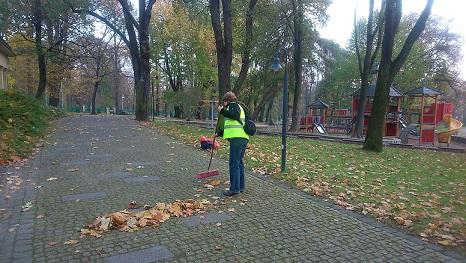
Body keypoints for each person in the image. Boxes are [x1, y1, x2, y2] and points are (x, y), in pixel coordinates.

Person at [216, 91, 249, 196]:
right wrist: (219, 133)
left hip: (237, 139)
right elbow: (232, 124)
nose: (224, 105)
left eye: (224, 102)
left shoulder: (233, 106)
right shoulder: (239, 107)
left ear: (228, 100)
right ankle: (240, 187)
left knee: (234, 163)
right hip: (242, 138)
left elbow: (234, 116)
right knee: (239, 163)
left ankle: (234, 188)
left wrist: (222, 111)